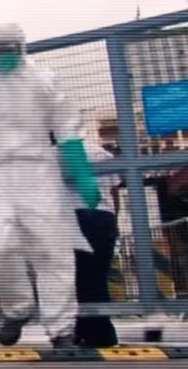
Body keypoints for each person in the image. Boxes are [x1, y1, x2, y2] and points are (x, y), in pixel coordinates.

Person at [0, 23, 99, 349]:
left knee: (52, 250)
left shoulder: (45, 81)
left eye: (8, 49)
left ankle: (61, 329)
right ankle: (17, 308)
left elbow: (67, 129)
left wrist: (83, 174)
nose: (2, 56)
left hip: (39, 171)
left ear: (22, 47)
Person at [72, 141, 120, 348]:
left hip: (75, 216)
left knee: (78, 278)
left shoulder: (54, 153)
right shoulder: (102, 153)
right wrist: (114, 220)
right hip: (103, 216)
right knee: (96, 275)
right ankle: (91, 330)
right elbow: (113, 192)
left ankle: (95, 333)